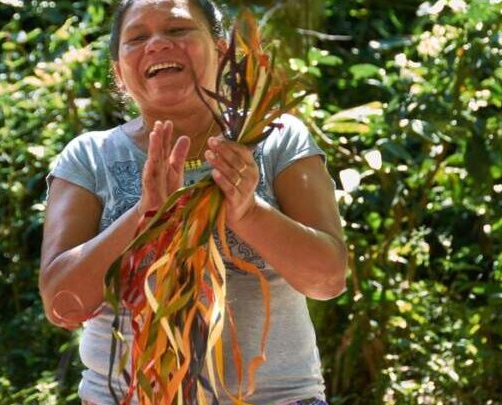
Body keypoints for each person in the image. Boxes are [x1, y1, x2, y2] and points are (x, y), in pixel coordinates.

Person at [38, 0, 348, 403]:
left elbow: (328, 279)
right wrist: (143, 218)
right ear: (118, 71)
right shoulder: (89, 157)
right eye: (137, 37)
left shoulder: (277, 140)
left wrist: (248, 212)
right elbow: (63, 306)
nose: (157, 44)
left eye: (178, 29)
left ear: (221, 52)